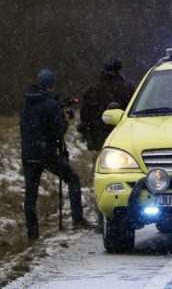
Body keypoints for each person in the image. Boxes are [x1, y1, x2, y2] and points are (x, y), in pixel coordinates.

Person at [20, 69, 90, 241]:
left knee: (30, 194)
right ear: (51, 86)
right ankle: (77, 219)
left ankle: (33, 234)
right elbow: (58, 130)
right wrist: (64, 118)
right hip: (46, 153)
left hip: (28, 153)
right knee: (72, 179)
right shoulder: (50, 104)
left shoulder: (26, 102)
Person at [78, 58, 135, 231]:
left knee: (100, 180)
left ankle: (101, 218)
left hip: (98, 142)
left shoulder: (93, 89)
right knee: (122, 181)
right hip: (122, 143)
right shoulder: (127, 88)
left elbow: (84, 116)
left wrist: (89, 132)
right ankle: (123, 213)